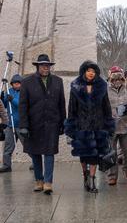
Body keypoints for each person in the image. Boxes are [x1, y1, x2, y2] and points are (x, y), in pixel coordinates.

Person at [65, 61, 115, 193]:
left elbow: (107, 107)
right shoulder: (76, 87)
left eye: (93, 71)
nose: (91, 73)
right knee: (83, 156)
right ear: (84, 72)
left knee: (94, 155)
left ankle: (92, 180)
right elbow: (71, 108)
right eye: (88, 70)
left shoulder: (101, 86)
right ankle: (85, 175)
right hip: (81, 127)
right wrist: (70, 126)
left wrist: (109, 125)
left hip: (98, 125)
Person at [19, 54, 66, 195]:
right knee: (35, 153)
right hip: (34, 124)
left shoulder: (58, 81)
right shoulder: (27, 82)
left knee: (50, 153)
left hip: (52, 123)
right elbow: (22, 106)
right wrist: (24, 125)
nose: (46, 67)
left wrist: (64, 122)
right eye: (43, 65)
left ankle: (48, 182)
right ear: (37, 66)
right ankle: (39, 180)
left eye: (48, 65)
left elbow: (61, 103)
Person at [106, 68, 127, 186]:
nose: (117, 80)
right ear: (110, 77)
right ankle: (112, 176)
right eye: (114, 77)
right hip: (111, 125)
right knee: (112, 152)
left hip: (125, 124)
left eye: (119, 77)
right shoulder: (105, 89)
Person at [0, 74, 24, 173]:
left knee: (28, 145)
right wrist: (2, 97)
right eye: (14, 83)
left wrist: (12, 99)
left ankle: (35, 163)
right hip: (11, 124)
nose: (16, 85)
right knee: (8, 147)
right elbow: (4, 105)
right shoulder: (9, 91)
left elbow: (21, 105)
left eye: (18, 83)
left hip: (22, 125)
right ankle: (6, 165)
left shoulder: (24, 93)